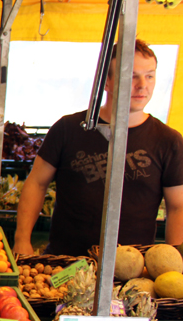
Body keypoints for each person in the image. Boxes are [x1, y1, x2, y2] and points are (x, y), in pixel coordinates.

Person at [13, 39, 183, 257]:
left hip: (133, 271)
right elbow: (37, 183)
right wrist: (22, 239)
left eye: (150, 75)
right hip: (64, 263)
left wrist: (173, 265)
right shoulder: (69, 128)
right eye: (131, 76)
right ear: (106, 81)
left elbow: (177, 207)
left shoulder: (168, 141)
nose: (143, 85)